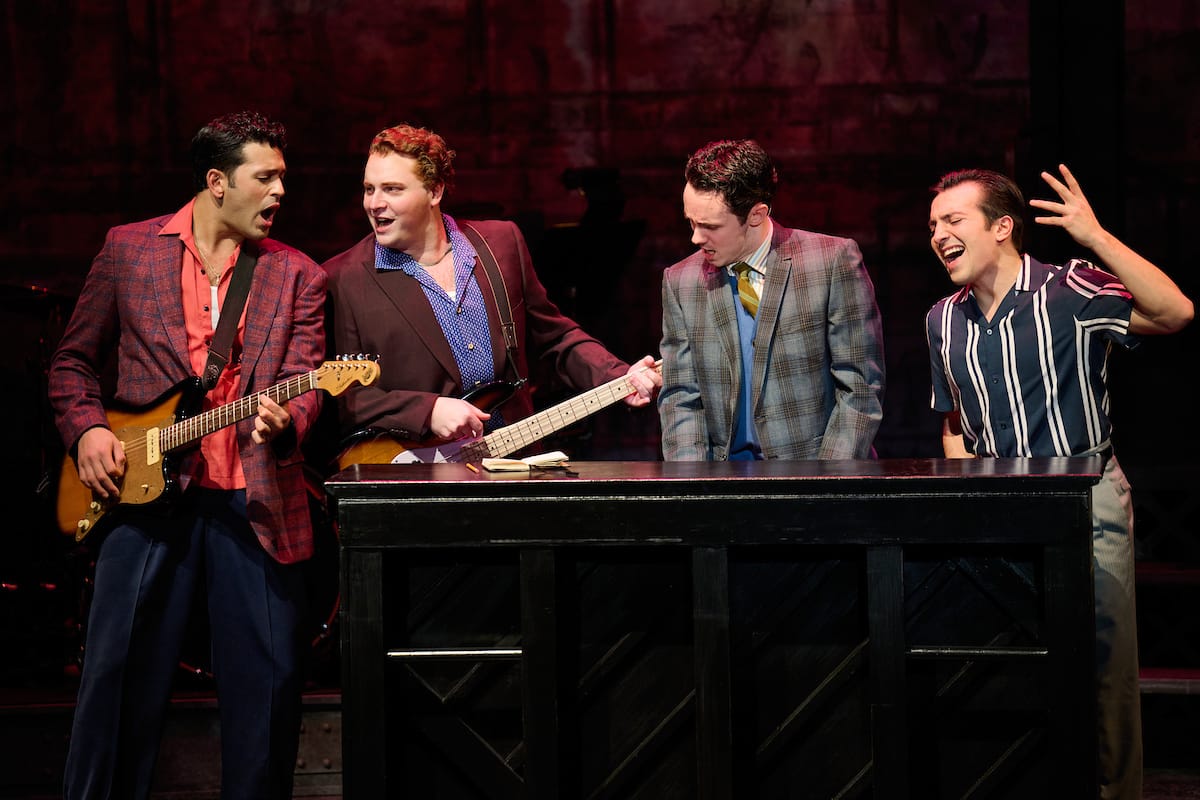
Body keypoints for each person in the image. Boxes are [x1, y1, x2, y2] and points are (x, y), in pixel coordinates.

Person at [48, 111, 327, 799]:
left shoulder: (298, 276)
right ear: (216, 182)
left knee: (265, 698)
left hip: (253, 502)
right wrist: (87, 431)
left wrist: (286, 420)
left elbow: (310, 380)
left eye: (282, 179)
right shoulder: (127, 251)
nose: (279, 192)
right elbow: (72, 364)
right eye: (264, 178)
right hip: (142, 504)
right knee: (115, 689)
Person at [925, 165, 1194, 800]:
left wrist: (1096, 237)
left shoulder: (1068, 289)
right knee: (1016, 663)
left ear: (1002, 226)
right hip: (1000, 505)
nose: (938, 235)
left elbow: (1175, 311)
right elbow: (954, 422)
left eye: (953, 220)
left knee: (1104, 665)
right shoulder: (943, 318)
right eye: (933, 225)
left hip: (1084, 496)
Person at [321, 123, 659, 459]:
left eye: (392, 189)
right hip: (420, 472)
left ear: (435, 191)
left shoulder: (499, 244)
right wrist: (427, 410)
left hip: (514, 458)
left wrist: (617, 375)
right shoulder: (344, 278)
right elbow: (342, 396)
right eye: (369, 189)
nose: (374, 203)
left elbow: (554, 337)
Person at [658, 138, 886, 461]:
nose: (695, 237)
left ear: (756, 214)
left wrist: (826, 485)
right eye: (691, 222)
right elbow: (681, 397)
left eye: (709, 226)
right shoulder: (680, 282)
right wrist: (692, 488)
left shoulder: (831, 262)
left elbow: (860, 388)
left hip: (813, 475)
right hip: (723, 484)